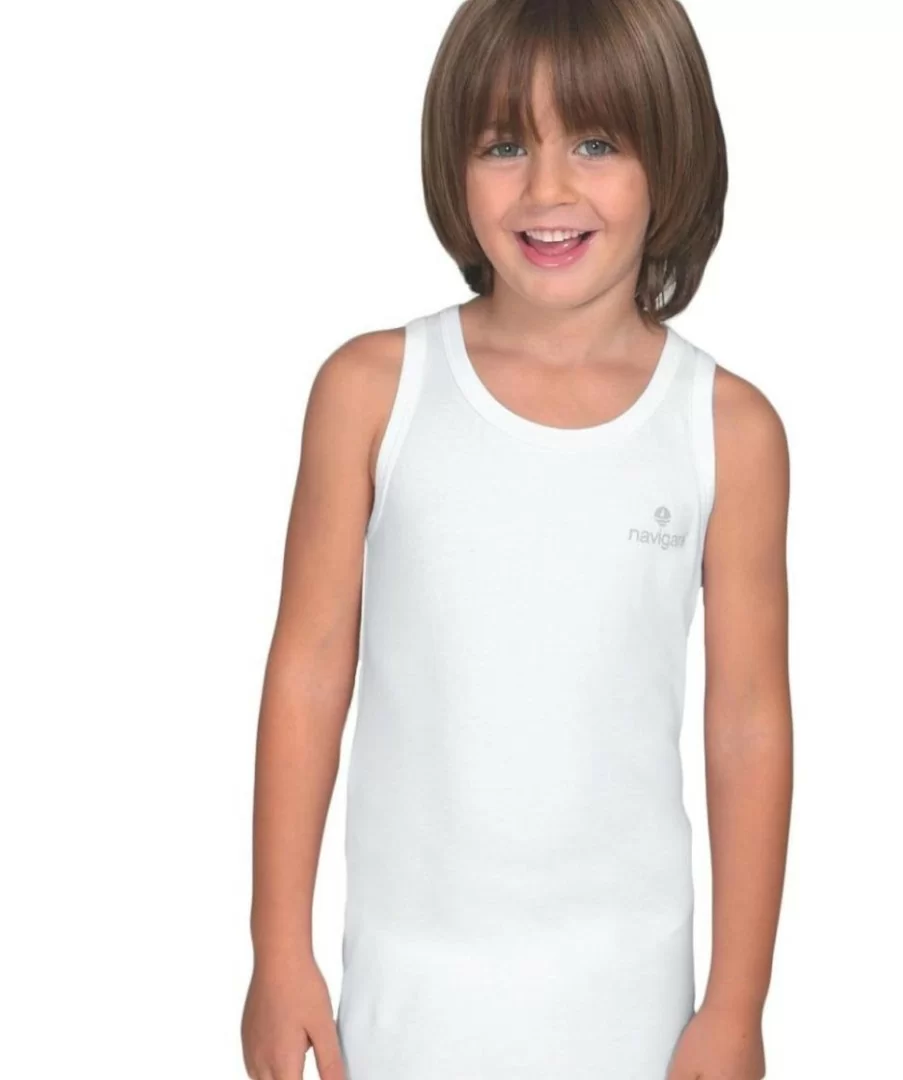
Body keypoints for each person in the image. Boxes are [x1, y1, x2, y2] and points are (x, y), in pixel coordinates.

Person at [241, 1, 792, 1078]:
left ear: (671, 154)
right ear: (453, 163)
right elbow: (306, 671)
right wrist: (277, 951)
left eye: (595, 142)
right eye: (504, 145)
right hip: (406, 1009)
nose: (546, 189)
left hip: (633, 1016)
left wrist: (736, 1005)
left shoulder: (727, 430)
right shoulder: (371, 392)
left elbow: (746, 724)